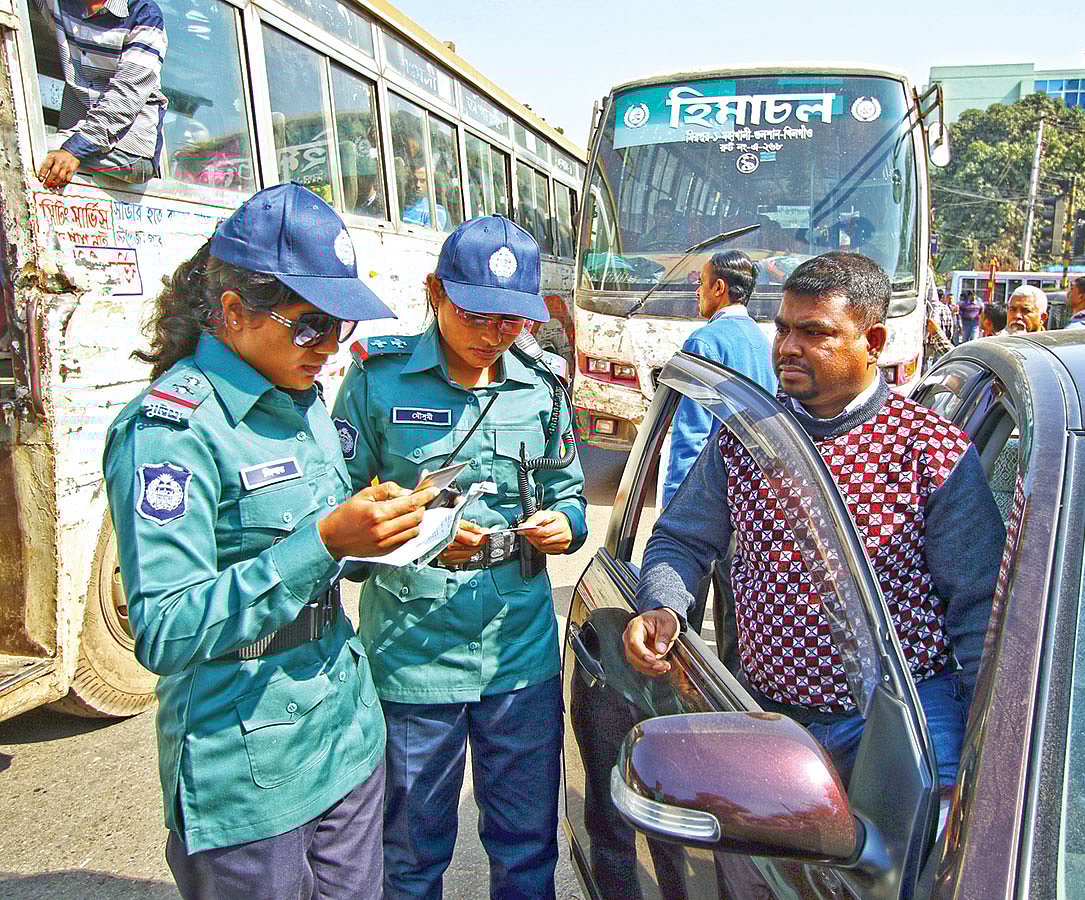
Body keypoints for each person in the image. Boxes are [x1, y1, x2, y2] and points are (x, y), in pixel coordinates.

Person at [103, 183, 438, 899]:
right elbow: (165, 629)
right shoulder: (172, 431)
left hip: (344, 738)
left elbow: (327, 550)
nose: (330, 348)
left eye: (339, 326)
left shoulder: (302, 398)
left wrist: (380, 532)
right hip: (249, 769)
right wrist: (323, 542)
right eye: (311, 325)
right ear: (233, 313)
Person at [623, 252, 1005, 787]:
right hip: (771, 718)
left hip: (905, 714)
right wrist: (662, 604)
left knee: (928, 833)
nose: (788, 347)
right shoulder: (746, 437)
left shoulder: (930, 449)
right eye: (783, 329)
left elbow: (981, 604)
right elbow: (681, 540)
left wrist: (989, 735)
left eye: (814, 332)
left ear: (873, 343)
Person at [331, 214, 588, 900]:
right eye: (476, 316)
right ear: (434, 291)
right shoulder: (377, 381)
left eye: (511, 321)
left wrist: (563, 524)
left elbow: (570, 493)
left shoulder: (542, 385)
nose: (493, 335)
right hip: (413, 656)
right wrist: (420, 535)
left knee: (527, 846)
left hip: (518, 652)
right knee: (410, 855)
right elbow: (335, 523)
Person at [659, 249, 775, 669]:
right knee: (737, 615)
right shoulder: (761, 340)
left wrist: (676, 507)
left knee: (682, 610)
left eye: (700, 283)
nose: (697, 291)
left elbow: (691, 433)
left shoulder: (705, 342)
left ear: (719, 288)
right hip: (753, 493)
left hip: (711, 495)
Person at [33, 0, 168, 187]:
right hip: (72, 138)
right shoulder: (58, 3)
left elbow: (126, 96)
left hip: (129, 151)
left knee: (30, 148)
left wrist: (74, 150)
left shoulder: (144, 15)